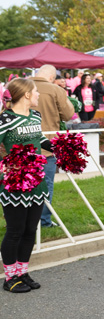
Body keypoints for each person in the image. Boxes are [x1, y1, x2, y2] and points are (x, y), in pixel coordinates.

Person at [0, 79, 51, 292]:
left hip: (36, 182)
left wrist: (63, 149)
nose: (38, 94)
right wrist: (5, 164)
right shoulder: (5, 119)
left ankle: (22, 272)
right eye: (36, 91)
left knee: (30, 229)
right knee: (15, 230)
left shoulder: (35, 116)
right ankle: (10, 278)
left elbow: (40, 139)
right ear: (27, 94)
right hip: (15, 183)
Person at [32, 65, 74, 228]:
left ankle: (22, 220)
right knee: (45, 184)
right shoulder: (55, 89)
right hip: (46, 146)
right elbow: (68, 114)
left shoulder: (19, 85)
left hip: (19, 146)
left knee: (22, 185)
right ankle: (43, 221)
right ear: (51, 77)